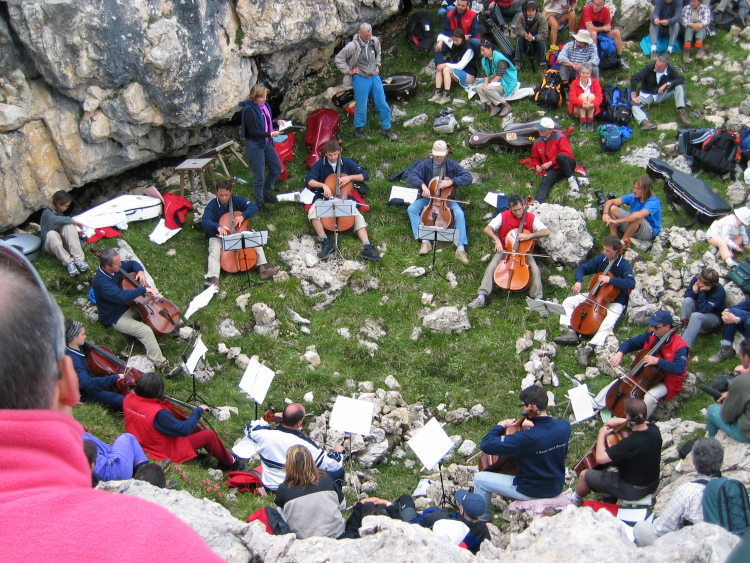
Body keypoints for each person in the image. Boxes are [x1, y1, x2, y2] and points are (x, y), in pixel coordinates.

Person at [0, 244, 223, 560]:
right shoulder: (158, 531)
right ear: (65, 383)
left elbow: (129, 264)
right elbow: (121, 299)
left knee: (147, 307)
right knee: (144, 338)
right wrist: (114, 377)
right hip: (115, 316)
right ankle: (160, 361)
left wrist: (137, 273)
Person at [473, 385, 571, 520]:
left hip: (532, 490)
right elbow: (547, 430)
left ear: (531, 407)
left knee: (480, 479)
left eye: (524, 406)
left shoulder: (525, 439)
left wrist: (500, 425)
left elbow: (486, 444)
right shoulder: (564, 426)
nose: (524, 409)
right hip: (556, 486)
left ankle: (483, 520)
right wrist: (534, 424)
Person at [123, 371, 244, 470]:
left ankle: (199, 456)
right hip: (159, 449)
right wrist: (197, 411)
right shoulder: (158, 412)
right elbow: (184, 430)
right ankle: (230, 463)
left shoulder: (128, 398)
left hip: (140, 441)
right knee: (209, 435)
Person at [92, 248, 181, 377]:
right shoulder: (101, 282)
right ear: (107, 267)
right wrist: (143, 290)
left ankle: (158, 336)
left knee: (153, 311)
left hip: (127, 307)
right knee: (145, 331)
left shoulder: (116, 268)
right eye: (118, 264)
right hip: (115, 317)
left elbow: (132, 263)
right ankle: (163, 365)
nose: (121, 265)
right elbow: (121, 296)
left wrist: (140, 272)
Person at [554, 236, 635, 368]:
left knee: (608, 324)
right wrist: (579, 280)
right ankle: (570, 331)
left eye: (608, 251)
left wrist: (611, 280)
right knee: (569, 301)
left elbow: (631, 282)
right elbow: (582, 268)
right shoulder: (602, 259)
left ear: (616, 251)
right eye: (604, 249)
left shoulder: (623, 265)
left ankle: (589, 348)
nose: (605, 253)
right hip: (596, 295)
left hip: (616, 300)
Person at [569, 398, 663, 506]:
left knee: (584, 475)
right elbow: (640, 422)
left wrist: (601, 434)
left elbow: (600, 458)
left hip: (633, 490)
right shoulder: (654, 429)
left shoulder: (629, 443)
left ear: (628, 416)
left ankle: (575, 500)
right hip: (653, 483)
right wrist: (619, 421)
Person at [633, 437, 724, 546]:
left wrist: (656, 521)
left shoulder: (687, 490)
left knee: (640, 527)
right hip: (725, 544)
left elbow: (662, 529)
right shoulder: (732, 485)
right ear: (721, 460)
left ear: (693, 462)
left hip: (697, 548)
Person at [599, 310, 689, 418]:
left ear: (667, 327)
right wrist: (620, 353)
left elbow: (679, 368)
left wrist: (658, 361)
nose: (653, 330)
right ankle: (595, 405)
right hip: (645, 376)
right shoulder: (652, 335)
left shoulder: (680, 346)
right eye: (652, 326)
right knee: (619, 383)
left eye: (656, 327)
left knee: (650, 398)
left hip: (667, 381)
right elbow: (631, 343)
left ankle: (640, 422)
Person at [304, 139, 382, 262]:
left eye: (335, 154)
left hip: (344, 197)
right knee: (313, 212)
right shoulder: (320, 164)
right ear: (325, 153)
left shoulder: (347, 163)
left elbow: (364, 175)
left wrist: (350, 177)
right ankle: (325, 241)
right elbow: (309, 180)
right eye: (330, 155)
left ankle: (367, 247)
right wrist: (323, 185)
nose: (333, 157)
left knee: (358, 216)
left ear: (339, 151)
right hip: (324, 197)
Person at [468, 194, 550, 310]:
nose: (518, 213)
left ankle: (537, 299)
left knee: (535, 269)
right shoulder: (503, 216)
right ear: (509, 208)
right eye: (514, 210)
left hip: (523, 252)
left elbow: (546, 232)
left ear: (523, 205)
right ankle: (482, 296)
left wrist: (530, 235)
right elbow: (487, 229)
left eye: (520, 209)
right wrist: (497, 241)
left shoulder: (531, 218)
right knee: (491, 267)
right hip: (506, 249)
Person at [245, 402, 345, 491]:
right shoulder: (304, 445)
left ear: (283, 416)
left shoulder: (264, 434)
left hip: (269, 485)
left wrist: (269, 418)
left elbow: (249, 428)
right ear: (299, 422)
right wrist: (338, 452)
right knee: (338, 472)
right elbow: (333, 465)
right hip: (292, 489)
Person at [201, 179, 280, 289]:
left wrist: (243, 215)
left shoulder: (236, 200)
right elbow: (205, 221)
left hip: (238, 232)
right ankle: (214, 279)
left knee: (255, 239)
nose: (224, 198)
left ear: (231, 192)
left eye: (226, 195)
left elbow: (253, 207)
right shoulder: (212, 205)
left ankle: (262, 268)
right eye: (221, 195)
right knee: (214, 250)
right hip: (218, 235)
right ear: (216, 193)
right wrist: (217, 227)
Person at [406, 140, 473, 263]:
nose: (438, 157)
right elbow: (412, 175)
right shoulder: (425, 164)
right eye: (436, 155)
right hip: (429, 198)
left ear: (446, 152)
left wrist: (452, 182)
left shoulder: (452, 165)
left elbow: (468, 178)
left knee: (459, 213)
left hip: (446, 199)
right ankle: (425, 241)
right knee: (412, 209)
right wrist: (423, 186)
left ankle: (461, 247)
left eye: (441, 155)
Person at [334, 23, 398, 141]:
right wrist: (349, 70)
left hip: (374, 76)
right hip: (361, 77)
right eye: (367, 36)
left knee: (382, 102)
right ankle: (359, 129)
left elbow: (378, 53)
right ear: (360, 33)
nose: (369, 38)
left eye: (370, 34)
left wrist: (377, 65)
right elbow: (338, 59)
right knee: (361, 105)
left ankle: (387, 128)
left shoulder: (374, 41)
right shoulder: (352, 46)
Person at [274, 445, 346, 539]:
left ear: (288, 464)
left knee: (278, 511)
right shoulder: (326, 479)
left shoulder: (283, 489)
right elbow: (342, 505)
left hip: (303, 539)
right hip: (336, 535)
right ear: (311, 461)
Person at [65, 319, 125, 410]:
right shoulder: (76, 362)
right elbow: (88, 384)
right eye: (82, 334)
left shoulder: (70, 347)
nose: (85, 337)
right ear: (74, 337)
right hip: (83, 394)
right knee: (119, 399)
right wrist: (114, 378)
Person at [241, 84, 283, 211]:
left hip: (266, 142)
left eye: (265, 96)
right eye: (261, 97)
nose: (264, 99)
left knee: (276, 168)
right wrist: (271, 134)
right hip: (254, 144)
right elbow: (253, 131)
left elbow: (266, 123)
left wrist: (277, 122)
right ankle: (259, 203)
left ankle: (266, 193)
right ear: (254, 97)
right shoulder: (249, 110)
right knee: (258, 176)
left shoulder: (265, 106)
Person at [630, 55, 690, 131]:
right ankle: (645, 122)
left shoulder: (670, 70)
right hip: (647, 95)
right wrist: (634, 97)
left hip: (662, 95)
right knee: (633, 105)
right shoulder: (649, 67)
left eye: (659, 67)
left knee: (679, 86)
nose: (656, 67)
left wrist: (667, 84)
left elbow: (681, 79)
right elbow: (634, 78)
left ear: (666, 67)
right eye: (656, 65)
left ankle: (681, 113)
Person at [706, 339, 750, 443]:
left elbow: (727, 417)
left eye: (740, 355)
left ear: (746, 357)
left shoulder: (740, 382)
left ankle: (710, 448)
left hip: (747, 434)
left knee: (712, 410)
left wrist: (730, 400)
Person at [39, 190, 89, 277]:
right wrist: (72, 221)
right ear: (59, 203)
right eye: (66, 206)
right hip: (51, 246)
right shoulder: (47, 212)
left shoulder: (59, 213)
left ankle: (79, 260)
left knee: (69, 227)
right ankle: (69, 263)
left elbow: (60, 228)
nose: (67, 208)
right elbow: (54, 221)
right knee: (51, 234)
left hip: (61, 243)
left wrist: (75, 232)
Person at [528, 116, 578, 203]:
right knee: (545, 182)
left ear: (551, 130)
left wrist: (550, 162)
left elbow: (567, 154)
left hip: (567, 164)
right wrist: (537, 165)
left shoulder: (560, 138)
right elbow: (535, 157)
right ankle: (538, 202)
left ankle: (571, 179)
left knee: (560, 156)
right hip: (555, 169)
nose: (540, 130)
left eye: (543, 129)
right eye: (540, 128)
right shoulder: (537, 142)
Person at [603, 177, 662, 242]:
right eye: (634, 188)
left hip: (648, 231)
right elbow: (611, 201)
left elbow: (638, 216)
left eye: (638, 189)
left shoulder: (653, 202)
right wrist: (605, 214)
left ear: (646, 190)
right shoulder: (633, 196)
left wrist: (617, 221)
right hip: (632, 225)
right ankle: (614, 238)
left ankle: (622, 243)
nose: (634, 190)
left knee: (637, 218)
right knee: (612, 208)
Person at [428, 29, 479, 105]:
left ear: (462, 39)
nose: (454, 42)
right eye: (453, 40)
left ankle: (447, 95)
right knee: (439, 67)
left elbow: (461, 66)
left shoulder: (468, 50)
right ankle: (437, 92)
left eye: (456, 40)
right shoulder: (453, 44)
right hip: (458, 72)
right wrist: (440, 43)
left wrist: (446, 64)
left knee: (446, 69)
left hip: (469, 75)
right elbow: (441, 36)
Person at [681, 268, 726, 348]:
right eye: (698, 279)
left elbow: (703, 310)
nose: (697, 282)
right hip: (699, 309)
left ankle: (684, 347)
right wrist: (694, 292)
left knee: (696, 316)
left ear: (708, 285)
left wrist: (702, 292)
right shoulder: (697, 279)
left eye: (700, 282)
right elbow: (687, 295)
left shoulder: (719, 292)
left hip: (714, 316)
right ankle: (683, 329)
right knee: (687, 301)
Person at [82, 431, 153, 481]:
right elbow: (105, 448)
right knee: (128, 437)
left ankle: (143, 473)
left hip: (99, 475)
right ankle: (145, 475)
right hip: (113, 472)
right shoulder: (75, 434)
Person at [474, 39, 517, 117]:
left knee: (488, 88)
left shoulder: (499, 58)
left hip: (506, 80)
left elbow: (500, 75)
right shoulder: (484, 60)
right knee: (479, 87)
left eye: (483, 50)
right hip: (496, 79)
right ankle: (492, 106)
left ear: (490, 48)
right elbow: (486, 74)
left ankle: (505, 105)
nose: (482, 53)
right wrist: (486, 83)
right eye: (480, 51)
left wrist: (489, 84)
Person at [434, 0, 480, 65]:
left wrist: (463, 38)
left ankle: (473, 63)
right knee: (437, 46)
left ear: (467, 6)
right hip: (453, 40)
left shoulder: (473, 15)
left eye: (463, 6)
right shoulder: (449, 15)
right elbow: (446, 32)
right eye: (458, 5)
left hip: (467, 40)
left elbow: (474, 33)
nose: (460, 7)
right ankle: (439, 68)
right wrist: (458, 37)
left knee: (476, 42)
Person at [513, 0, 549, 72]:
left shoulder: (542, 18)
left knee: (542, 42)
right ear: (525, 10)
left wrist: (533, 38)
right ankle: (518, 62)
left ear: (536, 10)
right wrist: (524, 35)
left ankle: (543, 64)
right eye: (529, 11)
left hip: (536, 40)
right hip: (525, 38)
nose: (531, 13)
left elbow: (544, 34)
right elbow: (518, 30)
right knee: (519, 39)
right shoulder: (521, 16)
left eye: (533, 11)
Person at [567, 62, 603, 132]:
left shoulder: (595, 82)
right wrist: (582, 104)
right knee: (583, 96)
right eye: (583, 73)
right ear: (579, 73)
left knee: (591, 96)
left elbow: (599, 96)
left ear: (590, 73)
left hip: (591, 108)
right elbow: (572, 97)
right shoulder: (574, 83)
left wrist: (592, 104)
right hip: (578, 109)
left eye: (587, 73)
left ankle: (590, 121)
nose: (585, 75)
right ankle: (583, 122)